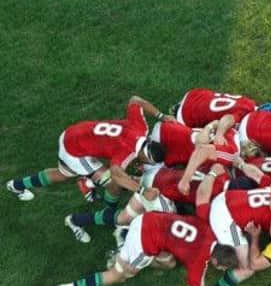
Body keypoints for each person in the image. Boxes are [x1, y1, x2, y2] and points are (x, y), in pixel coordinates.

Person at [54, 164, 239, 286]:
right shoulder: (199, 261)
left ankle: (122, 237)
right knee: (118, 275)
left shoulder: (210, 229)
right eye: (222, 267)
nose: (221, 270)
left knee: (169, 263)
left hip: (154, 217)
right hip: (144, 239)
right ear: (215, 259)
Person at [6, 96, 167, 242]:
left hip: (75, 133)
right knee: (113, 183)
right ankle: (108, 212)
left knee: (64, 173)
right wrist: (142, 191)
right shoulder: (127, 151)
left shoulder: (141, 129)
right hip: (76, 152)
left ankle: (17, 185)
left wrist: (162, 116)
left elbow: (135, 100)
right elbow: (117, 175)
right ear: (144, 156)